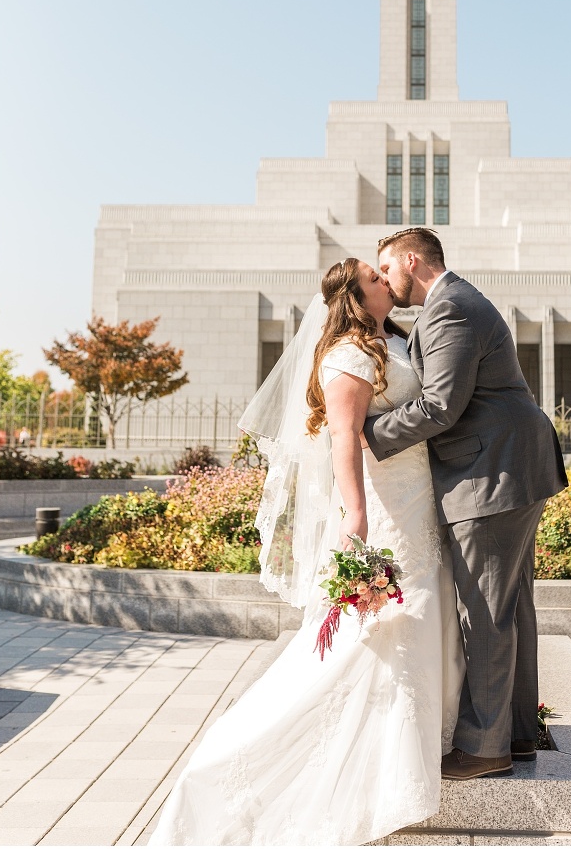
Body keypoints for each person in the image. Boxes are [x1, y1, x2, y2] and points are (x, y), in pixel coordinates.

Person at [149, 258, 465, 847]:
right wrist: (356, 514)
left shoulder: (385, 341)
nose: (386, 282)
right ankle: (236, 764)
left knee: (420, 614)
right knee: (384, 624)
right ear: (353, 294)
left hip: (419, 498)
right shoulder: (347, 354)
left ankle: (417, 742)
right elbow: (344, 435)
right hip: (388, 504)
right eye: (376, 278)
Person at [365, 227, 568, 782]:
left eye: (387, 270)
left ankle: (483, 748)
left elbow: (441, 406)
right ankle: (516, 734)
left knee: (485, 608)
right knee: (510, 604)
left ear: (411, 260)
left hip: (490, 471)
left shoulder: (448, 309)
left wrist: (368, 433)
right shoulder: (451, 305)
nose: (384, 281)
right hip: (508, 465)